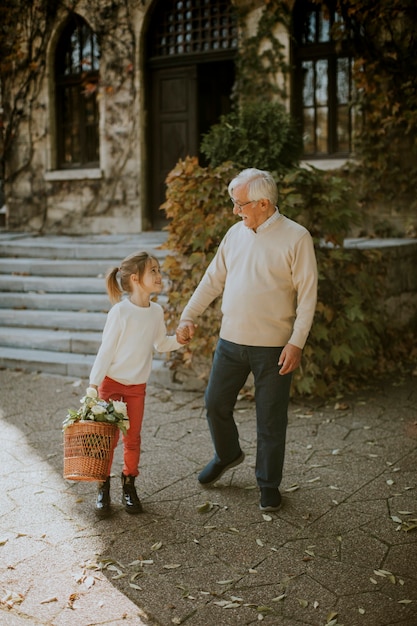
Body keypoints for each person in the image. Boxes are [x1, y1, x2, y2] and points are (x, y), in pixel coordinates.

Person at [177, 168, 318, 512]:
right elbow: (212, 279)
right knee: (214, 404)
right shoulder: (235, 234)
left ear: (264, 203)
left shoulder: (297, 237)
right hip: (231, 343)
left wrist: (296, 342)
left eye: (239, 204)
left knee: (271, 419)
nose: (235, 210)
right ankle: (228, 454)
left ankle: (268, 484)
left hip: (274, 349)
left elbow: (308, 295)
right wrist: (188, 314)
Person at [89, 251, 189, 515]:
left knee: (132, 439)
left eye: (158, 270)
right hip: (110, 385)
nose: (159, 275)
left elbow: (160, 343)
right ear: (135, 279)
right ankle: (103, 488)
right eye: (153, 271)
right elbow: (106, 351)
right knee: (107, 441)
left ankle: (129, 484)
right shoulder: (120, 312)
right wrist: (93, 385)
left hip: (136, 389)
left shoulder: (156, 312)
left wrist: (179, 340)